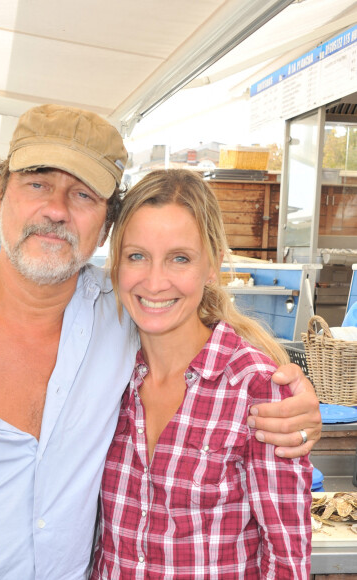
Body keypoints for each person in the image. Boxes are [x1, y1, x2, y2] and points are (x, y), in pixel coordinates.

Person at [0, 104, 321, 580]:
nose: (57, 210)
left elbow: (203, 329)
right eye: (37, 182)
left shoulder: (125, 319)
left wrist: (294, 400)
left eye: (83, 195)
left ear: (106, 225)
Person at [91, 170, 312, 579]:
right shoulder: (103, 372)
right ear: (116, 263)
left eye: (180, 258)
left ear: (212, 265)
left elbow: (286, 561)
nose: (155, 282)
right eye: (136, 256)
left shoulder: (257, 389)